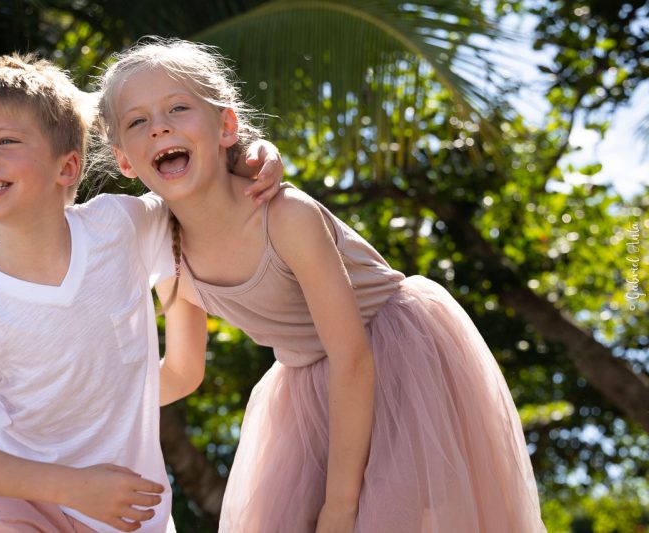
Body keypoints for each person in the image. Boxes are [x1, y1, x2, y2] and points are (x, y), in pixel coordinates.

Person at [97, 37, 547, 533]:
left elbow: (352, 360)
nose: (159, 125)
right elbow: (182, 372)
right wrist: (86, 404)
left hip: (395, 360)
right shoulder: (167, 250)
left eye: (178, 108)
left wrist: (340, 504)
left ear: (226, 126)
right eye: (137, 121)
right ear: (124, 159)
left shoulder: (284, 216)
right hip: (306, 390)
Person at [0, 54, 283, 532]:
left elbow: (192, 176)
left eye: (6, 140)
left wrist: (255, 154)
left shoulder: (120, 225)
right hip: (22, 504)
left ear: (67, 167)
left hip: (133, 512)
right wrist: (73, 487)